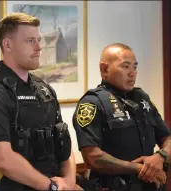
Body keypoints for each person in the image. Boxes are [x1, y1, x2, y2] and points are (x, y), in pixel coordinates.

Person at [0, 13, 83, 191]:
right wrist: (51, 186)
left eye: (39, 40)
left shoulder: (44, 89)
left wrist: (68, 182)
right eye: (30, 41)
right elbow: (2, 158)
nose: (39, 47)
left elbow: (63, 142)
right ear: (7, 44)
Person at [72, 43, 171, 191]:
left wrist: (160, 156)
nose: (132, 73)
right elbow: (92, 158)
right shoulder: (92, 103)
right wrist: (139, 168)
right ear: (104, 69)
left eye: (134, 67)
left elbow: (167, 138)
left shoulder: (141, 98)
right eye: (125, 66)